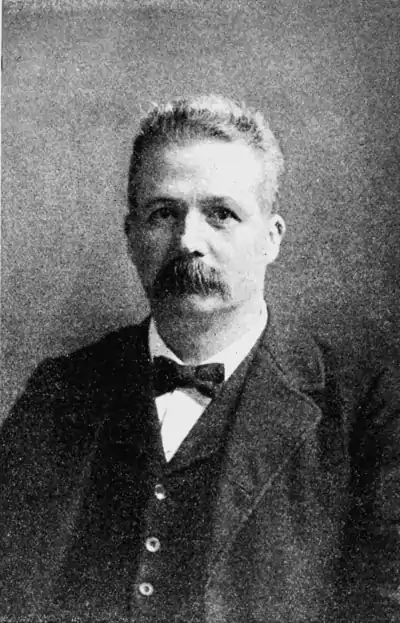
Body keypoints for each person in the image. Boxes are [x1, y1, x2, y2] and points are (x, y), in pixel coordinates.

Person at [1, 94, 399, 623]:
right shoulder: (60, 391)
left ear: (271, 239)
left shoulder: (365, 407)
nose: (189, 240)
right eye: (164, 213)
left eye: (222, 214)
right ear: (130, 237)